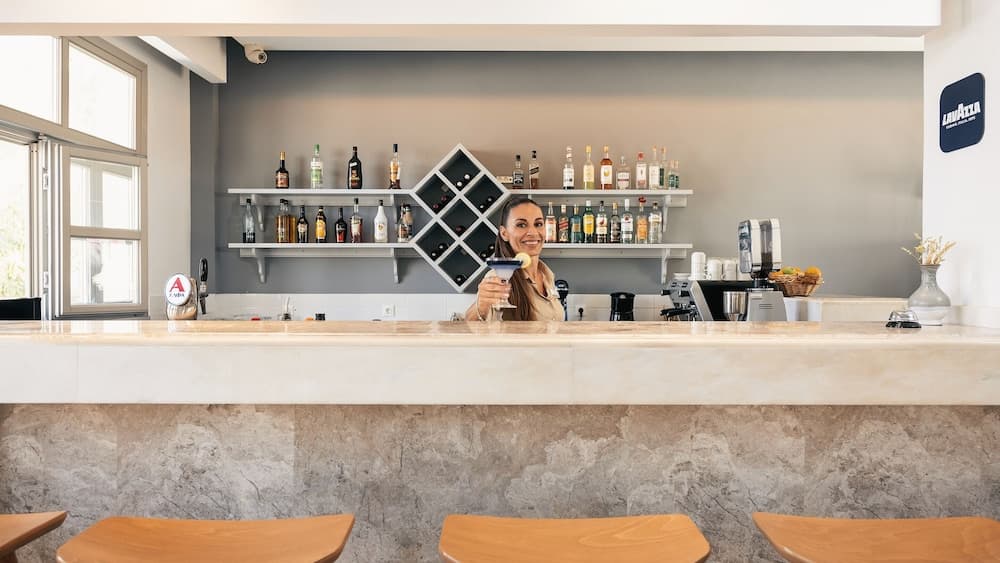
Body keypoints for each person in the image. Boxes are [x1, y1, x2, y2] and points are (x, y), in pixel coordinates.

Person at [466, 196, 564, 321]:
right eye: (521, 225)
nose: (533, 232)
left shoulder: (546, 275)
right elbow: (471, 324)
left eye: (538, 224)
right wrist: (481, 306)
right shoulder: (499, 277)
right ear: (504, 233)